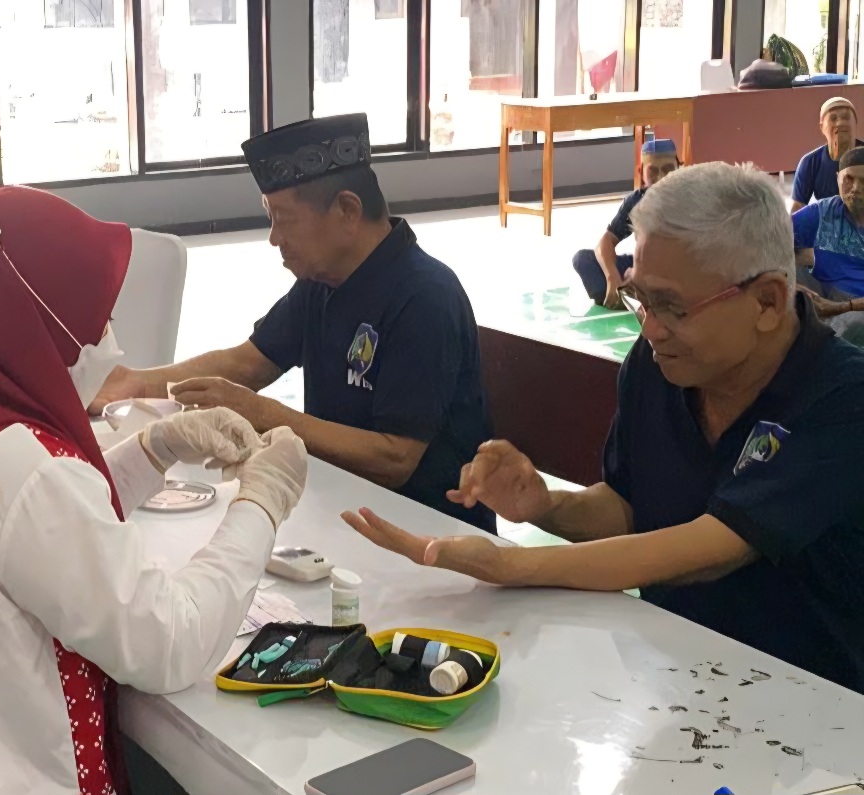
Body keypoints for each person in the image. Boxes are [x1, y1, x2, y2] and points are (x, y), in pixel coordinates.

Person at [0, 186, 308, 795]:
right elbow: (169, 642)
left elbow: (17, 534)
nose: (109, 338)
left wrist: (154, 449)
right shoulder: (22, 469)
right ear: (25, 314)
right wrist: (261, 503)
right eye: (98, 316)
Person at [344, 162, 864, 694]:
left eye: (672, 307)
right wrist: (544, 505)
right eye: (642, 299)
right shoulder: (661, 364)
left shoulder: (842, 396)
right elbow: (628, 508)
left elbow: (710, 549)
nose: (650, 328)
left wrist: (510, 564)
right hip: (674, 672)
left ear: (768, 301)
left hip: (816, 699)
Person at [93, 113, 497, 531]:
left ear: (347, 210)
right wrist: (134, 384)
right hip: (342, 506)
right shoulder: (323, 281)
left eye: (283, 219)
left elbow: (395, 458)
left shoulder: (424, 296)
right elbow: (248, 363)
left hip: (429, 530)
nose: (274, 238)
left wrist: (262, 413)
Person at [572, 138, 679, 309]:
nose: (660, 178)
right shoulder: (635, 201)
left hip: (678, 269)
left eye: (668, 169)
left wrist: (638, 274)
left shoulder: (691, 197)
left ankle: (638, 295)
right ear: (641, 172)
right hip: (643, 266)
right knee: (583, 260)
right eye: (653, 171)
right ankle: (632, 295)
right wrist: (612, 277)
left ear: (680, 168)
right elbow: (607, 240)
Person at [792, 145, 864, 345]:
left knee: (856, 327)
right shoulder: (823, 212)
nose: (856, 188)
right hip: (823, 295)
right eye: (849, 179)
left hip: (857, 308)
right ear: (837, 178)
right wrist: (792, 285)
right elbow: (771, 240)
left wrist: (843, 307)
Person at [791, 96, 864, 212]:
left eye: (846, 117)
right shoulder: (810, 162)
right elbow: (797, 208)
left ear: (855, 123)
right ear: (822, 127)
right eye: (833, 118)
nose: (840, 123)